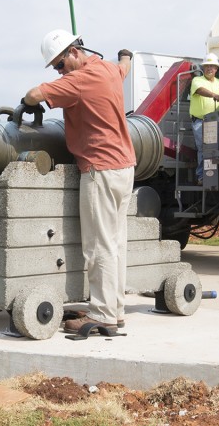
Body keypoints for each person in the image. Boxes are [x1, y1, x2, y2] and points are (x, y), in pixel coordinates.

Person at [21, 29, 135, 334]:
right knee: (116, 245)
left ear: (74, 52)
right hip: (124, 167)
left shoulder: (80, 80)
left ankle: (102, 314)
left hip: (100, 168)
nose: (60, 71)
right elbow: (125, 67)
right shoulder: (108, 70)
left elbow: (35, 95)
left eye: (59, 65)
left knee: (98, 247)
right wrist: (126, 55)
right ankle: (115, 309)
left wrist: (25, 101)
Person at [189, 53, 219, 184]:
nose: (209, 68)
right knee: (204, 148)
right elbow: (199, 90)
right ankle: (202, 176)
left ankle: (214, 176)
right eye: (207, 66)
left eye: (212, 66)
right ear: (203, 68)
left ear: (216, 69)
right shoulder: (197, 81)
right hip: (201, 121)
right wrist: (213, 95)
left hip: (218, 121)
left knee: (217, 149)